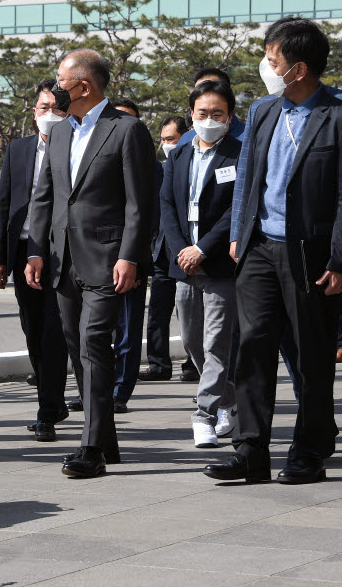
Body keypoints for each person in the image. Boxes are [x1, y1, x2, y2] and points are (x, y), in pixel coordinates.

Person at [205, 18, 342, 484]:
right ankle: (250, 449)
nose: (266, 66)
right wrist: (240, 230)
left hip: (311, 253)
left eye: (273, 59)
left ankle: (310, 449)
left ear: (298, 68)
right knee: (253, 349)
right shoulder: (262, 110)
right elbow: (249, 176)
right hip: (259, 247)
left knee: (310, 354)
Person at [25, 49, 154, 478]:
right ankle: (106, 438)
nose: (54, 85)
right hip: (62, 262)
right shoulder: (60, 132)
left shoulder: (127, 129)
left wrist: (129, 255)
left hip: (107, 260)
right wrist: (36, 249)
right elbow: (45, 194)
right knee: (78, 350)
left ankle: (91, 448)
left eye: (61, 80)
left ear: (82, 86)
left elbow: (140, 202)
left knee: (94, 344)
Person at [160, 79, 242, 447]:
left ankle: (204, 412)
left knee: (216, 343)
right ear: (191, 114)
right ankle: (230, 400)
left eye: (217, 113)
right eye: (202, 113)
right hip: (184, 263)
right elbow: (167, 207)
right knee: (193, 342)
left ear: (230, 116)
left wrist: (203, 248)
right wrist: (182, 250)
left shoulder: (240, 154)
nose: (209, 119)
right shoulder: (177, 155)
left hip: (220, 264)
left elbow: (235, 211)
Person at [0, 79, 70, 442]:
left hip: (62, 252)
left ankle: (46, 411)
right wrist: (0, 259)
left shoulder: (75, 146)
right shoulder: (18, 150)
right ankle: (52, 401)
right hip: (24, 251)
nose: (50, 115)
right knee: (33, 329)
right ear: (33, 111)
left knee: (55, 331)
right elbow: (4, 204)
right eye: (44, 108)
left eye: (58, 109)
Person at [139, 115, 192, 382]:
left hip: (187, 251)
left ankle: (193, 364)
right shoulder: (160, 167)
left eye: (171, 139)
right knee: (158, 310)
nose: (166, 144)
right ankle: (159, 365)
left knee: (190, 310)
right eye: (163, 139)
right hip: (161, 251)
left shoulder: (194, 164)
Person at [106, 98, 150, 413]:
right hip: (95, 257)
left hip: (130, 257)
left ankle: (121, 389)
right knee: (96, 332)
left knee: (127, 329)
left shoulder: (145, 163)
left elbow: (148, 214)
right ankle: (95, 389)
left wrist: (135, 257)